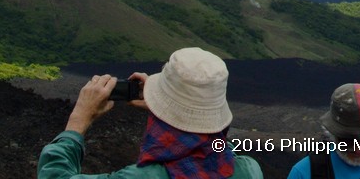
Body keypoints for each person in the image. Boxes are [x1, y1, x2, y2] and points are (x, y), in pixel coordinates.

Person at [38, 47, 263, 179]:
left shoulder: (144, 176)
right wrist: (171, 109)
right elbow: (215, 148)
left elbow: (55, 175)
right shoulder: (249, 170)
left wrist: (77, 121)